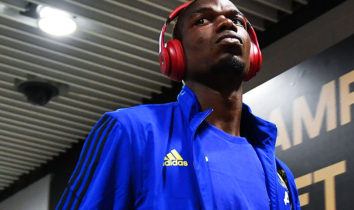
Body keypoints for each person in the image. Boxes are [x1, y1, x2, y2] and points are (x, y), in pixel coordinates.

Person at [56, 0, 300, 209]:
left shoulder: (281, 177)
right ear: (175, 54)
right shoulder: (132, 131)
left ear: (253, 51)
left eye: (236, 20)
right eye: (203, 20)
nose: (227, 24)